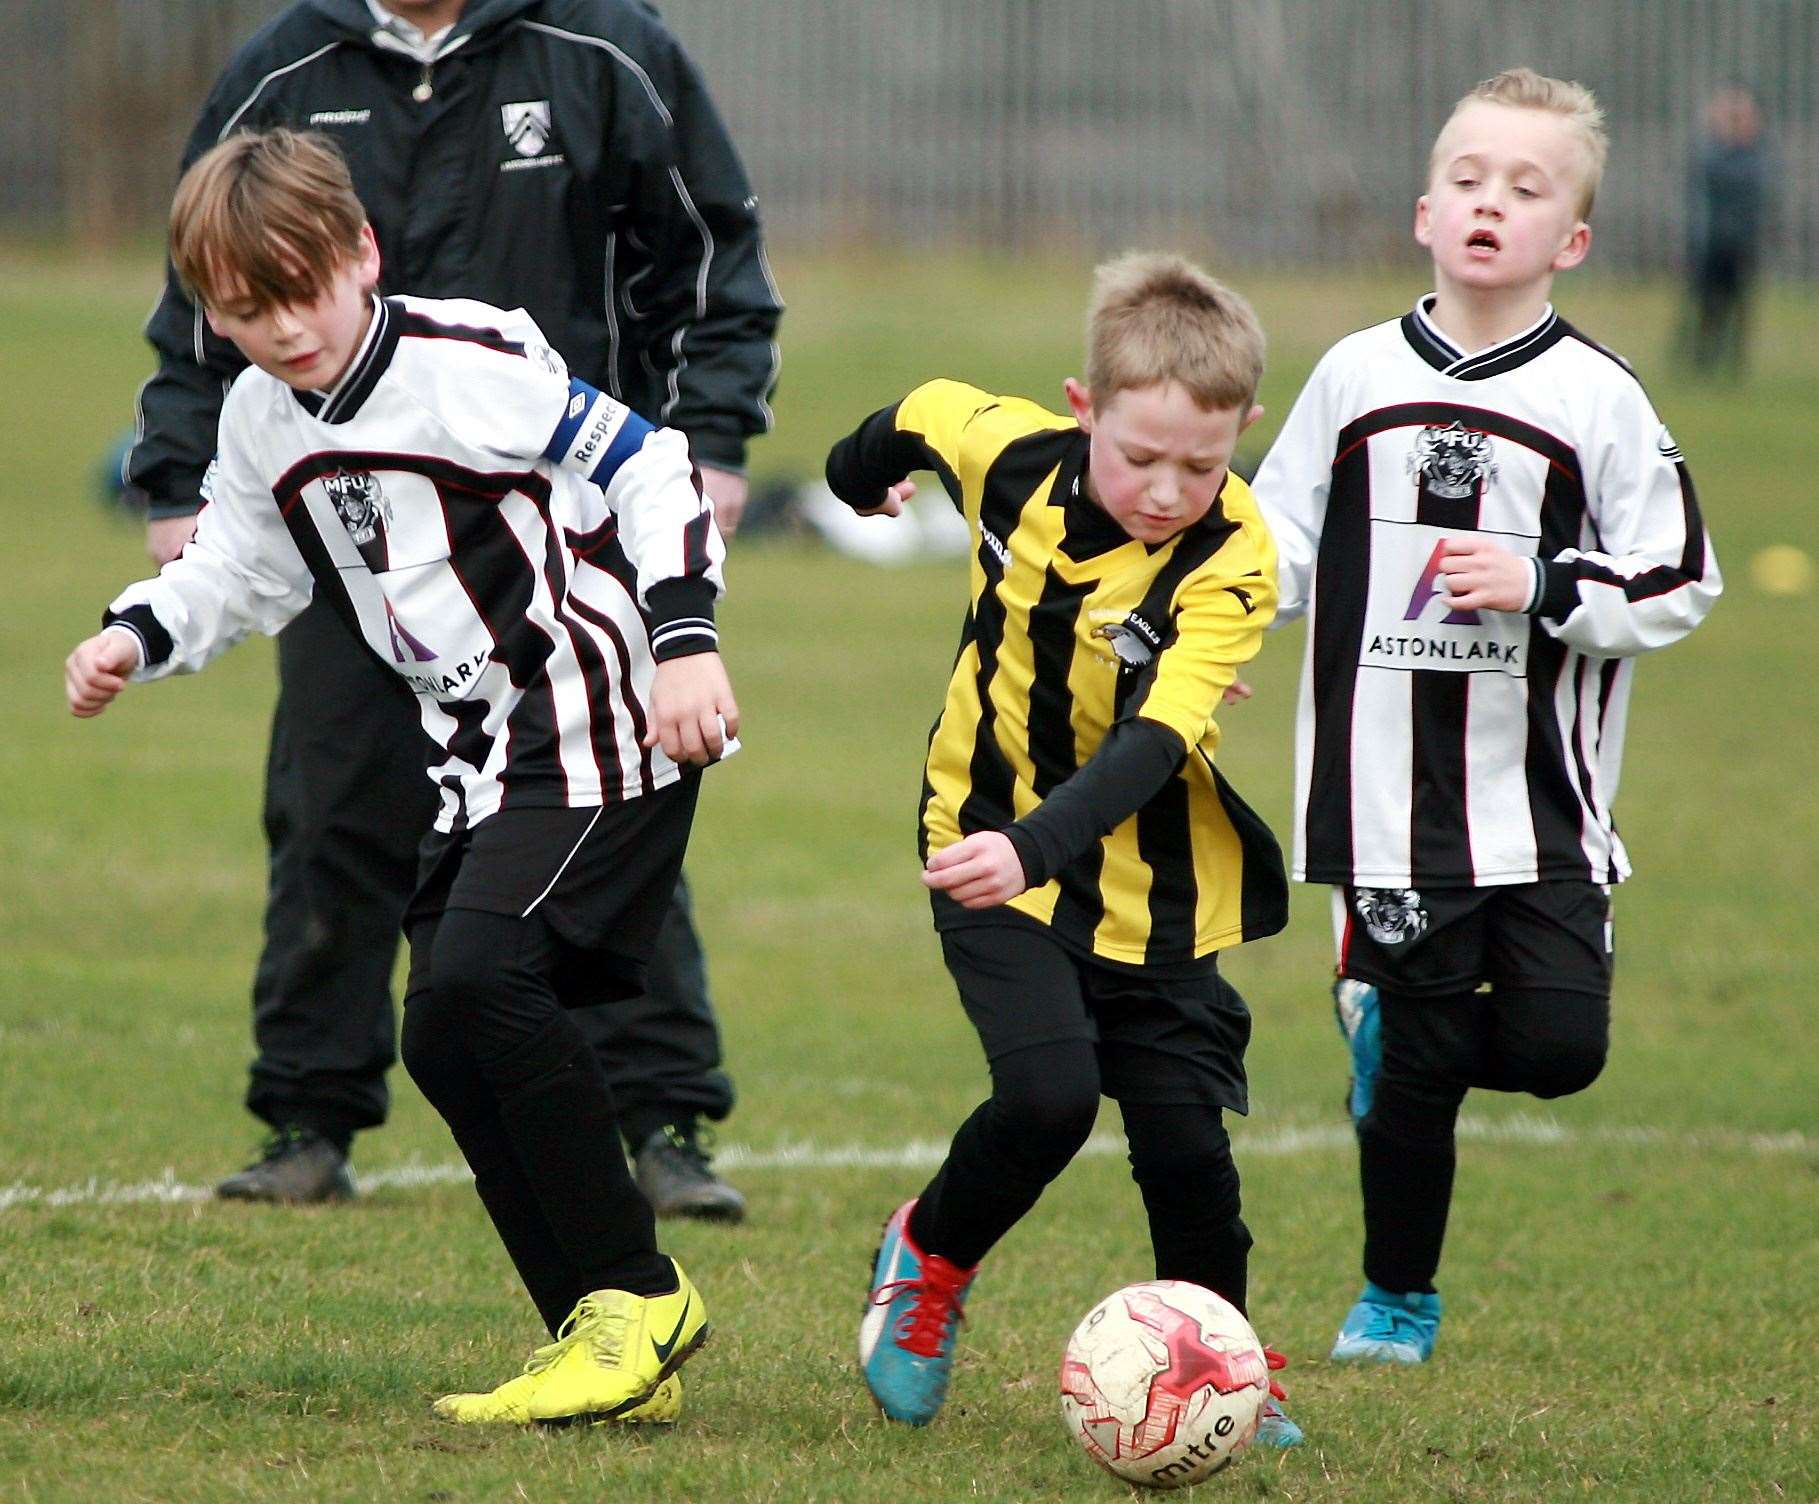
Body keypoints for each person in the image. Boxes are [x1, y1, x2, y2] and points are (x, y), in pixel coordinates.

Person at [69, 127, 728, 1424]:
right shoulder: (263, 416)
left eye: (302, 293)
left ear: (360, 253)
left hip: (594, 702)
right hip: (476, 747)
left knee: (482, 978)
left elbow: (648, 464)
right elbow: (245, 568)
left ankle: (639, 1304)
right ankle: (602, 1329)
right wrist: (138, 630)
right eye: (244, 311)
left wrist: (684, 640)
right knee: (441, 1031)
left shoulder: (461, 364)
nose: (285, 331)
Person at [122, 0, 781, 1215]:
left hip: (552, 534)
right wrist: (177, 480)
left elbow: (707, 250)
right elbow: (207, 286)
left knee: (597, 804)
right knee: (332, 807)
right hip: (344, 532)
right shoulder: (285, 65)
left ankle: (664, 1117)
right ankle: (308, 1115)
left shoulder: (604, 48)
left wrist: (715, 434)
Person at [1249, 68, 1722, 1365]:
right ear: (1419, 211)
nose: (1486, 205)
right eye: (1465, 180)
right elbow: (1277, 538)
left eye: (1522, 189)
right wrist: (1217, 629)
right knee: (1416, 1072)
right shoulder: (1350, 376)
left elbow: (1679, 577)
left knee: (1558, 1049)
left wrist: (1545, 584)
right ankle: (1393, 1297)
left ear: (1567, 239)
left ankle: (1387, 1032)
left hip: (1545, 805)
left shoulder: (1598, 399)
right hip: (1384, 804)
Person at [822, 253, 1303, 1446]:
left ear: (1244, 428)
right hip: (976, 836)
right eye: (1138, 456)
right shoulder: (1014, 454)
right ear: (1081, 409)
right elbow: (914, 414)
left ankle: (1218, 1367)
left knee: (1187, 1144)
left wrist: (1036, 849)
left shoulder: (1238, 553)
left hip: (1149, 872)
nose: (1164, 488)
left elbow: (1150, 744)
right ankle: (927, 1258)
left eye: (1201, 462)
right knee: (1046, 1098)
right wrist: (857, 478)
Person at [1682, 87, 1774, 378]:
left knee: (1739, 305)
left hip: (1741, 244)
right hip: (1711, 243)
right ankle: (1701, 358)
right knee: (1706, 304)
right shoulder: (1711, 154)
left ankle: (1733, 363)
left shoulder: (1755, 157)